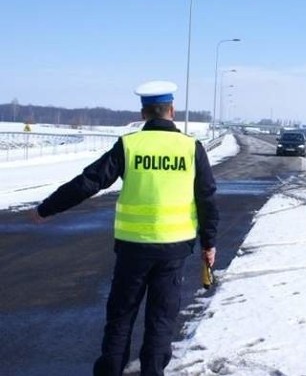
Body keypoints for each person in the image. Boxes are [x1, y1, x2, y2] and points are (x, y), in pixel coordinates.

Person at [31, 80, 219, 376]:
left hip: (133, 249)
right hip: (174, 249)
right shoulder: (190, 148)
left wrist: (48, 208)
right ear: (171, 110)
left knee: (121, 318)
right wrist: (209, 244)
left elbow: (90, 181)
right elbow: (206, 198)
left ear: (144, 113)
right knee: (161, 320)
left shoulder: (130, 145)